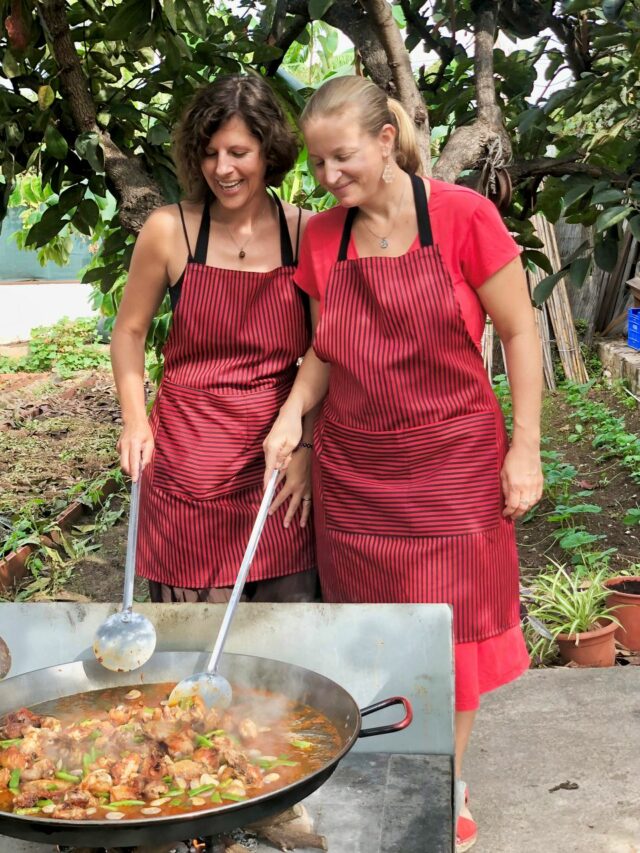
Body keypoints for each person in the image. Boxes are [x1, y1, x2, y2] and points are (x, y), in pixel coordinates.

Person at [263, 75, 543, 852]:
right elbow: (323, 351)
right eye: (317, 165)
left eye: (340, 158)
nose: (327, 179)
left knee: (449, 637)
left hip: (454, 463)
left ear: (386, 140)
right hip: (358, 473)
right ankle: (390, 766)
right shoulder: (324, 236)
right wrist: (296, 424)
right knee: (377, 634)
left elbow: (521, 333)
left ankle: (443, 783)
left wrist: (526, 448)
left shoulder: (463, 217)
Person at [111, 74, 316, 604]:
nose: (222, 169)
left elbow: (326, 349)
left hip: (276, 460)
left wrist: (308, 446)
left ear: (270, 150)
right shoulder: (168, 229)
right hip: (185, 460)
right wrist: (135, 422)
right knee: (192, 651)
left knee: (282, 644)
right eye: (209, 153)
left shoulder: (307, 233)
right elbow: (129, 333)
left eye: (238, 152)